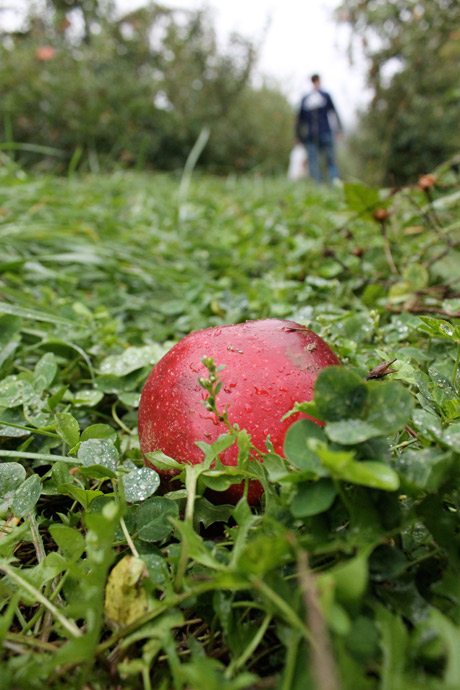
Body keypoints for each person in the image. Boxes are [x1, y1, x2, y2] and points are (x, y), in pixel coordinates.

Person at [295, 74, 343, 183]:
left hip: (315, 134)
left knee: (320, 162)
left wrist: (298, 136)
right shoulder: (323, 96)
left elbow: (299, 120)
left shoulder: (307, 98)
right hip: (318, 134)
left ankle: (327, 185)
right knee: (322, 162)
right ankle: (331, 186)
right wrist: (340, 129)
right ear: (318, 81)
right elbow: (300, 119)